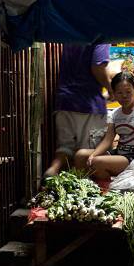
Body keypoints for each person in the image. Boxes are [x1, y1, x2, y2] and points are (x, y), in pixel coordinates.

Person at [43, 43, 112, 179]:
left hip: (64, 101)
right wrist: (110, 87)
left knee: (65, 147)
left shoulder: (74, 33)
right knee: (87, 154)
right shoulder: (101, 35)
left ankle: (53, 169)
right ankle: (78, 185)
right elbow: (98, 66)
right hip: (87, 104)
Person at [74, 72, 134, 180]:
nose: (124, 96)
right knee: (80, 155)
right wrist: (93, 155)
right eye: (119, 93)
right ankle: (81, 188)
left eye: (128, 92)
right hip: (119, 154)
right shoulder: (115, 113)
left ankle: (106, 190)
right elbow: (108, 140)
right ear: (114, 93)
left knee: (98, 162)